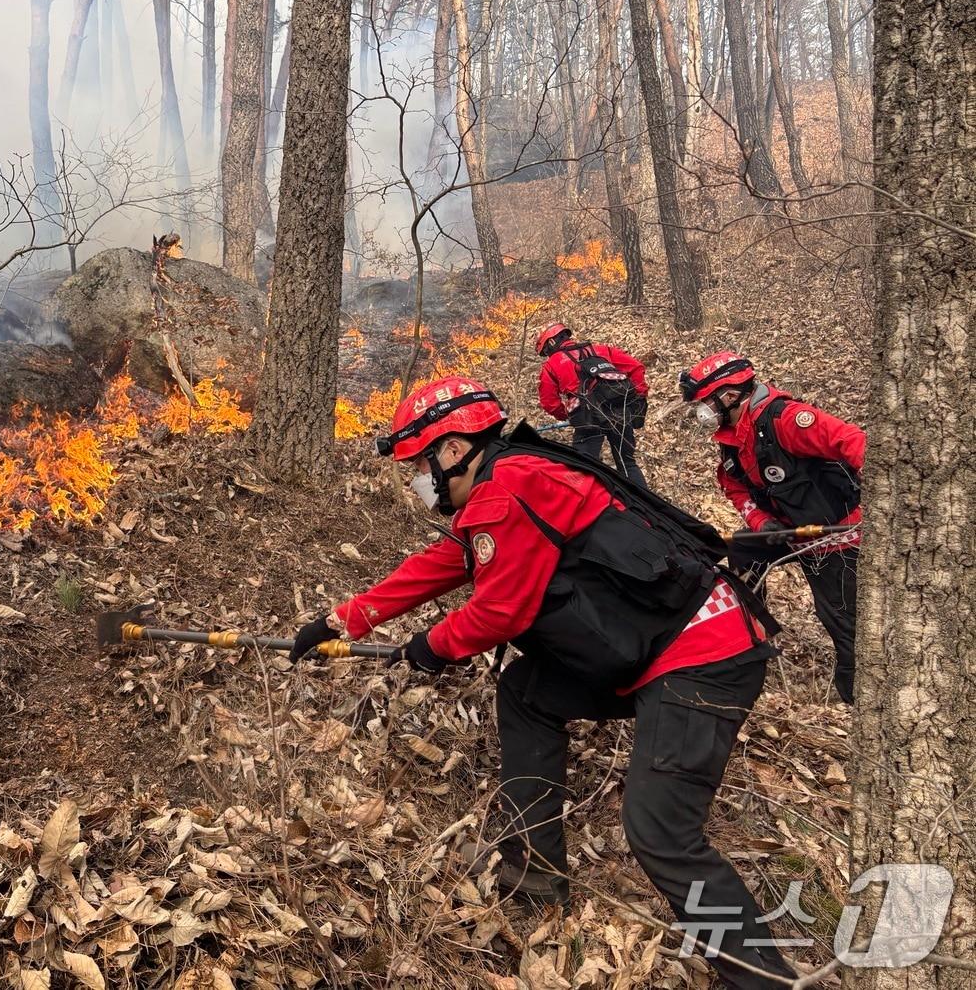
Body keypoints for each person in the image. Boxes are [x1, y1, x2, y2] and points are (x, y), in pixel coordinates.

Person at [291, 375, 794, 990]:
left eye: (421, 463)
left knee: (660, 831)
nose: (419, 479)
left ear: (453, 450)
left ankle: (762, 977)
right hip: (655, 646)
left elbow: (501, 612)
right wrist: (338, 621)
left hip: (703, 654)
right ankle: (533, 875)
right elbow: (444, 565)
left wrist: (430, 647)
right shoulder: (509, 483)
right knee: (528, 690)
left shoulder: (509, 490)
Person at [680, 353, 864, 704]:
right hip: (791, 530)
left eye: (705, 401)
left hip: (837, 535)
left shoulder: (788, 420)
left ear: (730, 395)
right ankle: (748, 640)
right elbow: (734, 487)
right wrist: (761, 522)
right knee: (742, 551)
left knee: (841, 619)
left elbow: (856, 443)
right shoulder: (733, 436)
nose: (702, 411)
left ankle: (858, 696)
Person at [535, 323, 648, 486]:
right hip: (619, 410)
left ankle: (593, 507)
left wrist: (568, 414)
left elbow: (549, 403)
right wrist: (638, 397)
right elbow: (636, 368)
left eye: (545, 351)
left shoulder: (552, 365)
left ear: (551, 343)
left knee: (583, 469)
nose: (547, 355)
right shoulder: (600, 350)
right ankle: (644, 507)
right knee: (627, 464)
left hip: (587, 419)